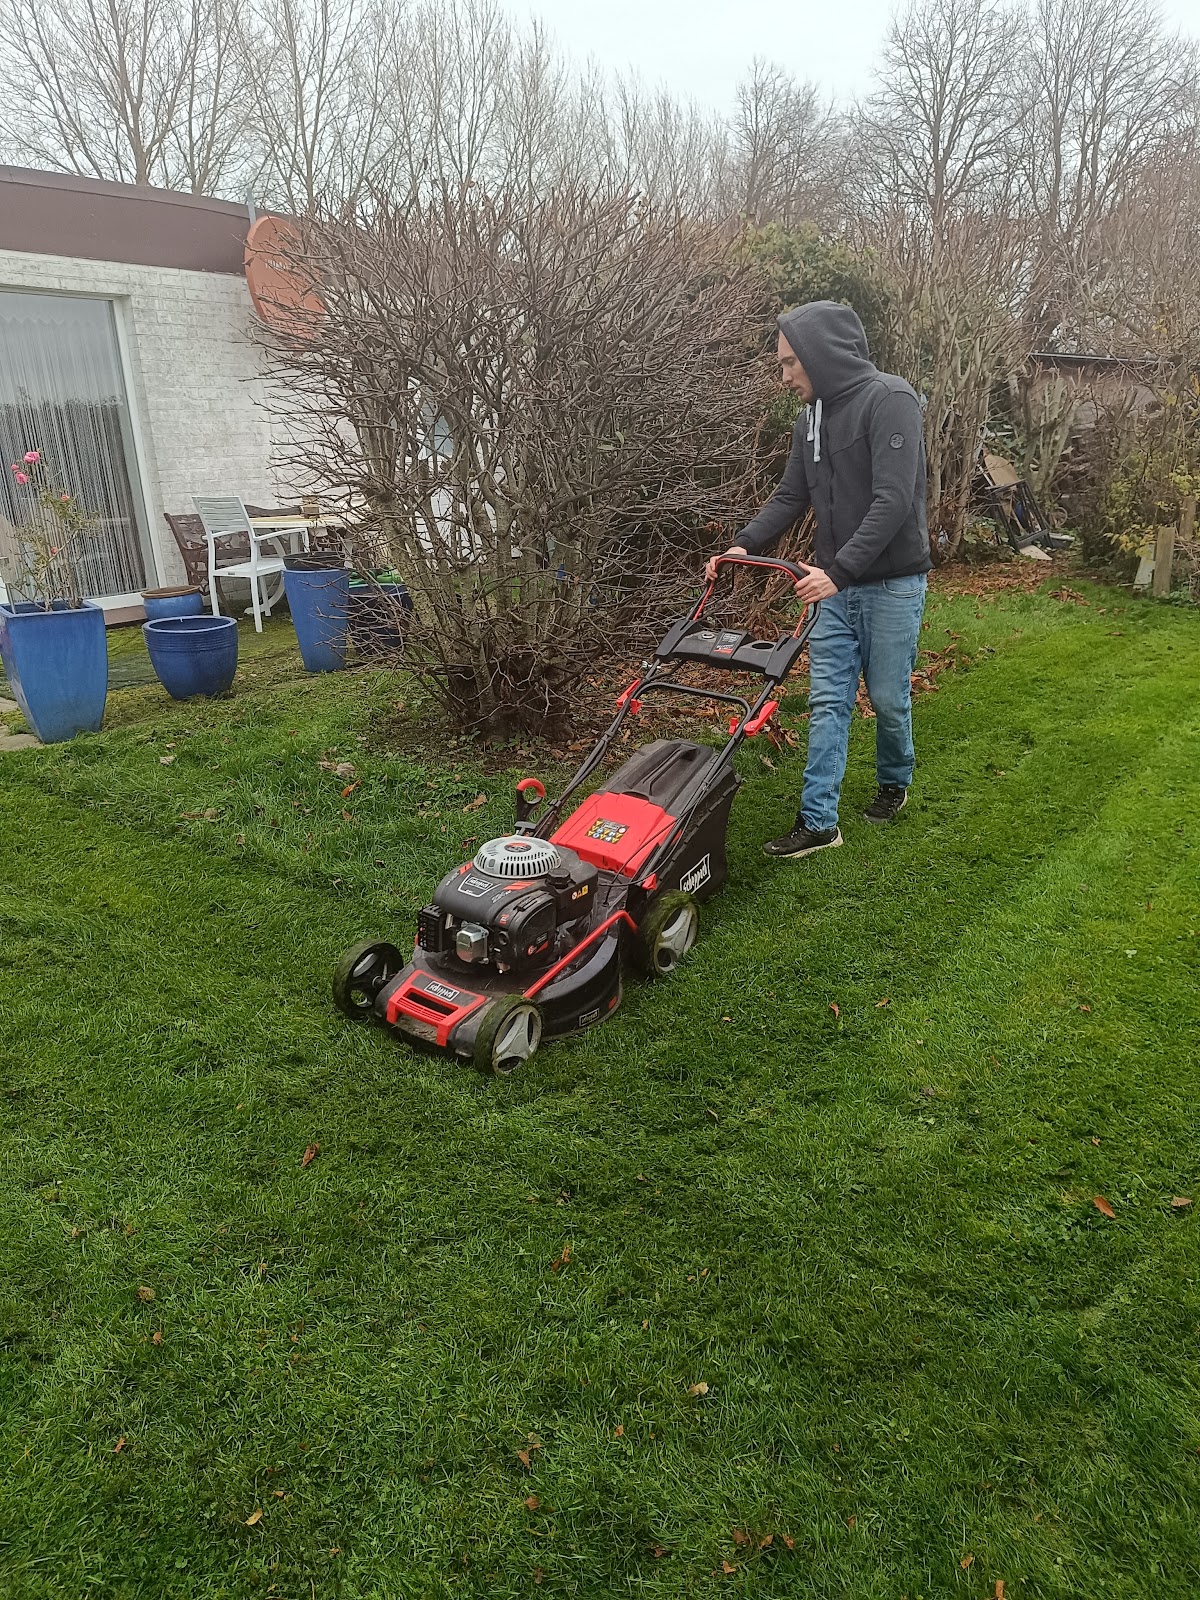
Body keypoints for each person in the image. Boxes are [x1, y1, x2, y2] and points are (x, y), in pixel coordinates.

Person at [706, 301, 931, 858]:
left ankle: (894, 780)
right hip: (831, 584)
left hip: (891, 585)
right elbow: (791, 494)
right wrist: (744, 544)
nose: (784, 376)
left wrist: (839, 571)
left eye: (790, 363)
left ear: (820, 354)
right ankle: (819, 821)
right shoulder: (809, 419)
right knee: (829, 700)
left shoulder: (890, 400)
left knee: (888, 698)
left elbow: (893, 500)